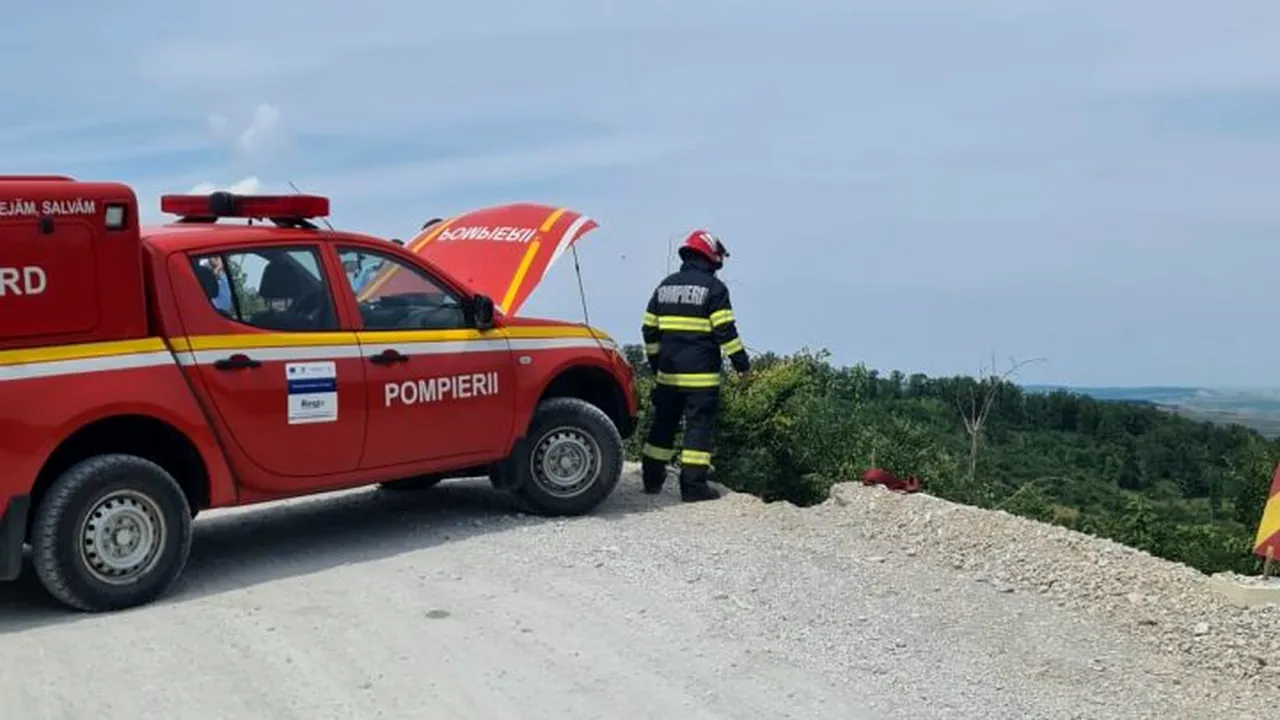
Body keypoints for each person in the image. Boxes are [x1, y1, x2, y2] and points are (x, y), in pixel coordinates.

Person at [639, 229, 750, 501]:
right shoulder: (714, 289)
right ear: (711, 257)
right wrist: (742, 366)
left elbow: (649, 328)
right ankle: (693, 487)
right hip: (701, 379)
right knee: (698, 431)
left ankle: (651, 479)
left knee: (663, 426)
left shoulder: (665, 286)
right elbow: (725, 331)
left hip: (668, 376)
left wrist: (657, 364)